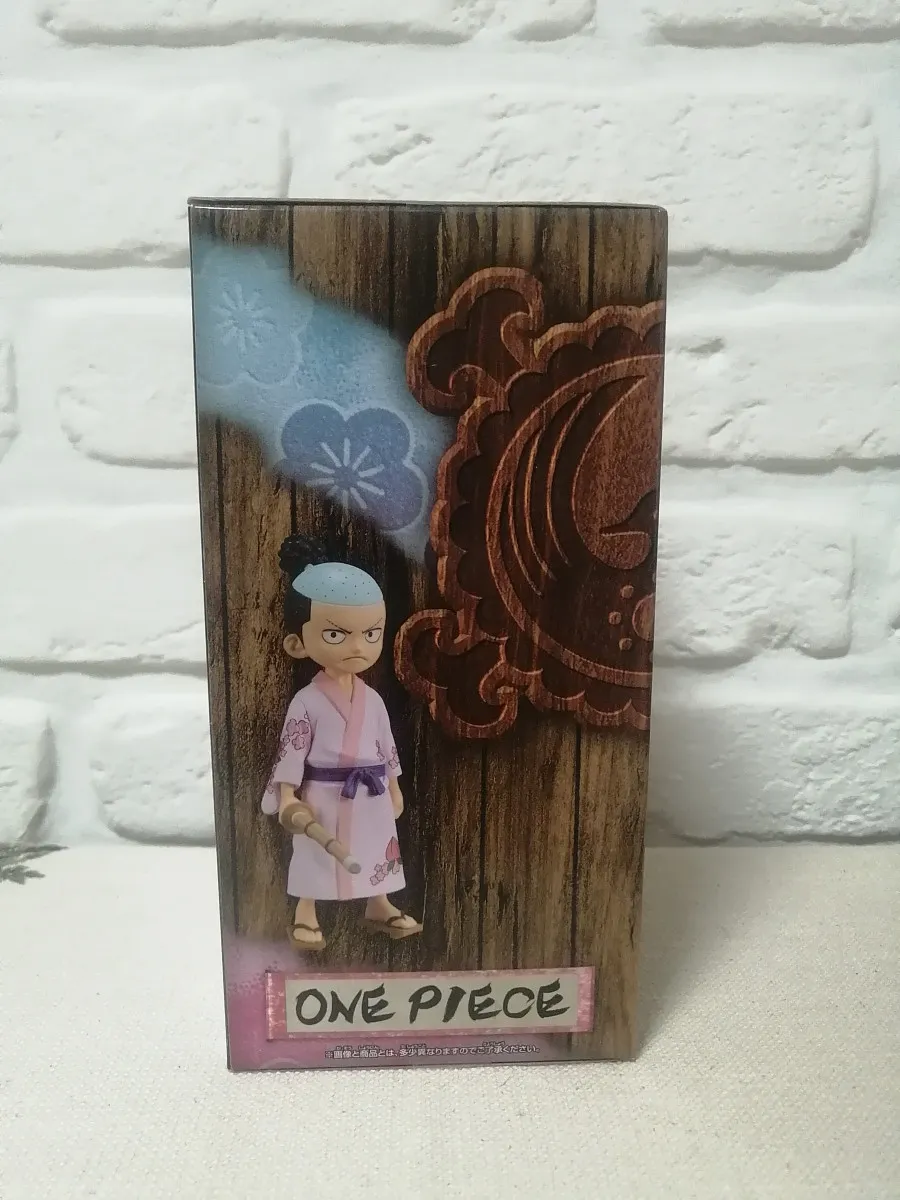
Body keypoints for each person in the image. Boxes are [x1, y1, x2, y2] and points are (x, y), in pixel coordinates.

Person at [261, 534, 422, 952]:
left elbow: (386, 747)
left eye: (371, 634)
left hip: (371, 792)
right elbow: (291, 750)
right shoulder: (307, 701)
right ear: (297, 643)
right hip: (324, 794)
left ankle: (378, 903)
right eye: (336, 635)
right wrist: (288, 796)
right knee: (315, 852)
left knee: (374, 847)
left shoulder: (372, 699)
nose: (357, 646)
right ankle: (305, 912)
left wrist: (395, 786)